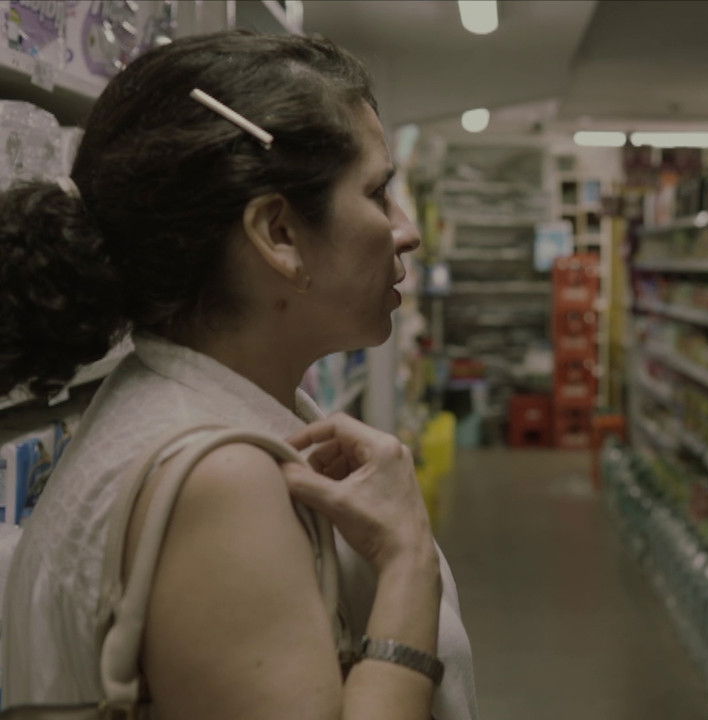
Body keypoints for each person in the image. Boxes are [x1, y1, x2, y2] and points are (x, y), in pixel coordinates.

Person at [0, 31, 477, 720]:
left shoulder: (196, 405)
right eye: (378, 193)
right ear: (278, 234)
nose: (406, 231)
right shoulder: (218, 484)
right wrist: (408, 564)